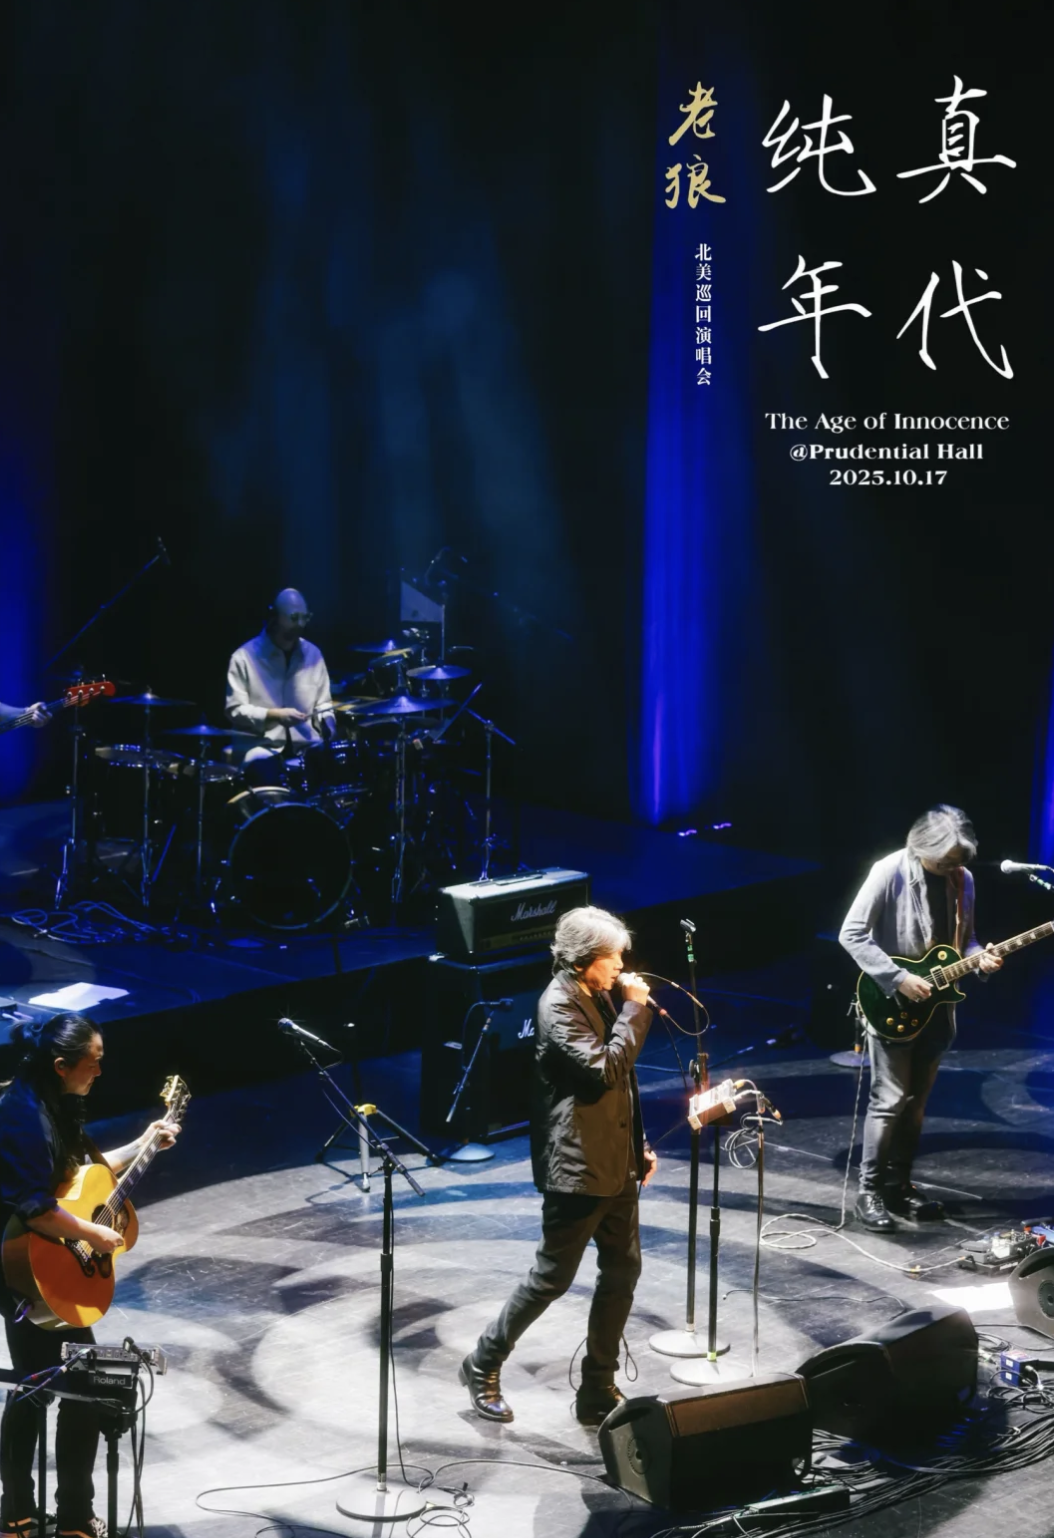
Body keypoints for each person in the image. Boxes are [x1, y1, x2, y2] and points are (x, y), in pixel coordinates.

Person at [460, 906, 658, 1427]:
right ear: (583, 958)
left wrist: (638, 1145)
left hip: (615, 1162)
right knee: (551, 1277)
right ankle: (482, 1362)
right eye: (612, 957)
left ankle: (597, 1387)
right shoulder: (558, 1005)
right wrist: (635, 1011)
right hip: (577, 1168)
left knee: (623, 1271)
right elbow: (605, 1070)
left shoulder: (599, 993)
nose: (620, 966)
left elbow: (622, 1087)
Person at [0, 1015, 180, 1538]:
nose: (100, 1072)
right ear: (62, 1065)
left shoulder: (51, 1101)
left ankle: (19, 1513)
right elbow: (37, 1210)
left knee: (39, 1384)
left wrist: (143, 1143)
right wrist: (93, 1234)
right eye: (93, 1062)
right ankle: (69, 1518)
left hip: (36, 1260)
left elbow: (81, 1179)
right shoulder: (22, 1116)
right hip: (24, 1266)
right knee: (75, 1385)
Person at [839, 805, 1002, 1232]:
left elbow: (965, 941)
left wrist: (979, 958)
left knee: (915, 1105)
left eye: (958, 862)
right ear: (922, 848)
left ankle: (899, 1185)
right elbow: (851, 933)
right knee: (889, 1100)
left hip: (937, 1009)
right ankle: (869, 1192)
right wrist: (898, 979)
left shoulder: (963, 879)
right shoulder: (888, 870)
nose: (952, 869)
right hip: (892, 1002)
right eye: (945, 862)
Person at [225, 589, 336, 774]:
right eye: (294, 618)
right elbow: (235, 710)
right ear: (274, 617)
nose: (300, 624)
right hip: (261, 747)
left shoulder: (313, 654)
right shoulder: (243, 658)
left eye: (305, 617)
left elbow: (323, 703)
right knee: (263, 769)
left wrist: (329, 724)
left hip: (306, 746)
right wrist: (274, 715)